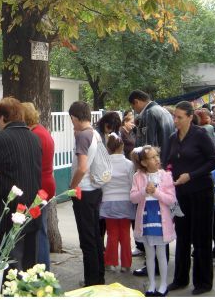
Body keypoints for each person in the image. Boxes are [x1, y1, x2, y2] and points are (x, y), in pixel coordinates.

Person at [0, 97, 42, 271]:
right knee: (28, 266)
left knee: (8, 268)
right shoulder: (33, 138)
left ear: (2, 118)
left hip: (7, 215)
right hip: (30, 210)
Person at [166, 101, 215, 295]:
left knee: (201, 238)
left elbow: (214, 160)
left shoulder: (200, 135)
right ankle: (180, 279)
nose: (176, 120)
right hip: (180, 195)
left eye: (179, 117)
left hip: (201, 193)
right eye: (175, 116)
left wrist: (191, 175)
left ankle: (203, 283)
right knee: (182, 237)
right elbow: (168, 162)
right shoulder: (173, 138)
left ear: (190, 117)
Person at [128, 90, 174, 276]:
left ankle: (153, 264)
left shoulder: (149, 114)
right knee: (162, 220)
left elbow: (147, 146)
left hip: (153, 173)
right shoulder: (163, 111)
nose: (135, 110)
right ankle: (161, 262)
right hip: (164, 169)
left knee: (151, 220)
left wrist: (143, 166)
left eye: (134, 106)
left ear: (137, 102)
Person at [130, 146, 176, 297]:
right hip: (145, 219)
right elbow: (133, 198)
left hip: (160, 220)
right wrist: (144, 191)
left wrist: (155, 192)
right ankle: (152, 284)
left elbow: (171, 199)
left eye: (157, 156)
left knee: (161, 253)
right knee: (149, 254)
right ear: (143, 162)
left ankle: (163, 283)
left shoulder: (166, 176)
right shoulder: (138, 176)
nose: (157, 159)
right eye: (152, 157)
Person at [68, 101, 105, 287]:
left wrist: (72, 187)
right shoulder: (95, 133)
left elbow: (82, 168)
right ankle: (99, 276)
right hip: (95, 189)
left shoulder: (83, 136)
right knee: (96, 236)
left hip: (83, 191)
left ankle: (91, 281)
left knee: (87, 239)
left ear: (74, 117)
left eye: (71, 120)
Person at [22, 102, 56, 271]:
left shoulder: (34, 135)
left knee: (38, 231)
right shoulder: (43, 132)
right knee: (40, 228)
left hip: (39, 186)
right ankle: (43, 268)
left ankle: (42, 270)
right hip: (47, 183)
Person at [100, 133, 135, 273]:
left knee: (112, 233)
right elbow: (133, 182)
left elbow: (101, 182)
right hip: (126, 201)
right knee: (125, 234)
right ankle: (126, 264)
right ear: (122, 146)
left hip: (108, 201)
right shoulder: (129, 164)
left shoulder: (104, 163)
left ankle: (110, 262)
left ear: (108, 147)